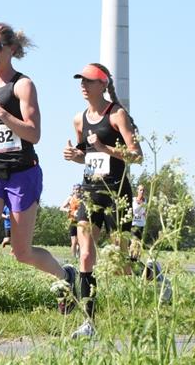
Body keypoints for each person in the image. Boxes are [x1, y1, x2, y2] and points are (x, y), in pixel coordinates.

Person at [0, 22, 76, 345]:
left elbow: (33, 133)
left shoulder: (23, 86)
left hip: (22, 174)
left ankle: (67, 277)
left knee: (21, 252)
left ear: (10, 50)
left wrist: (2, 113)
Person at [63, 62, 154, 339]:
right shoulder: (79, 118)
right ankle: (88, 323)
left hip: (117, 191)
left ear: (103, 84)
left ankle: (152, 273)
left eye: (89, 81)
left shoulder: (117, 115)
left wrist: (106, 149)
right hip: (90, 191)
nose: (83, 85)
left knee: (120, 264)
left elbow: (136, 155)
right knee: (86, 255)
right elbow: (85, 153)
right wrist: (74, 155)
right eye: (81, 80)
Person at [60, 184, 83, 260]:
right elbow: (61, 207)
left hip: (81, 221)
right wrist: (68, 210)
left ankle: (79, 257)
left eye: (79, 189)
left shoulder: (83, 199)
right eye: (76, 189)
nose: (77, 191)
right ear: (73, 190)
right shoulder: (70, 198)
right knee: (74, 242)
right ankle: (73, 258)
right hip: (72, 221)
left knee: (80, 241)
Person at [130, 184, 148, 255]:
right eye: (140, 190)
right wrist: (141, 205)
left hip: (142, 224)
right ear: (137, 191)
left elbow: (144, 212)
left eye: (143, 190)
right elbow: (135, 211)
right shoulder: (134, 199)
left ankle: (137, 259)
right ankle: (131, 257)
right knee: (133, 242)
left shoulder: (145, 200)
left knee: (139, 243)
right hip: (135, 224)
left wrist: (143, 211)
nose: (142, 192)